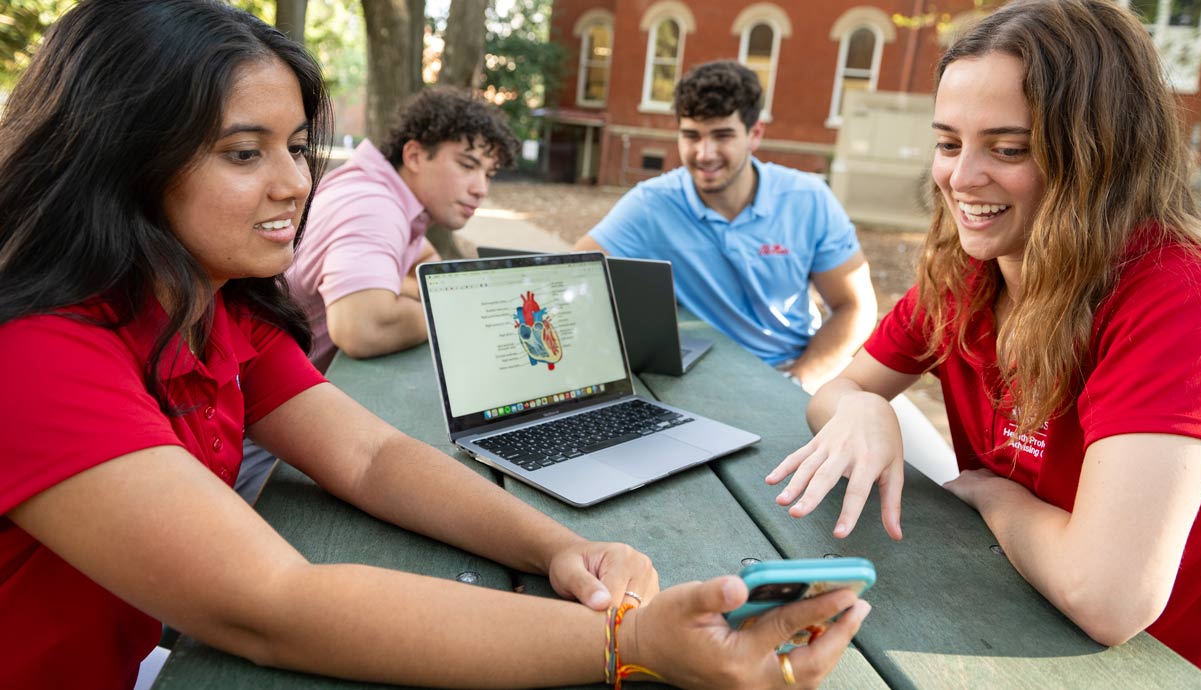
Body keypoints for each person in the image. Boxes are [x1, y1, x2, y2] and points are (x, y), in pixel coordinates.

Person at [0, 2, 869, 689]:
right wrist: (630, 642)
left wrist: (559, 548)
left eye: (300, 147)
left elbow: (370, 455)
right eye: (243, 152)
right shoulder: (36, 355)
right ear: (119, 158)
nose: (296, 184)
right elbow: (270, 605)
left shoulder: (212, 306)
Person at [767, 0, 1201, 685]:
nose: (961, 177)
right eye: (949, 143)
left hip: (1163, 665)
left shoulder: (1181, 296)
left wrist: (993, 497)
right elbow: (841, 387)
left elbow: (1108, 598)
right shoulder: (968, 270)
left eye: (1008, 148)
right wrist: (862, 409)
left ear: (1102, 156)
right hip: (1002, 607)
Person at [574, 60, 878, 393]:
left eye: (722, 136)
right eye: (691, 136)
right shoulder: (652, 204)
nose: (704, 154)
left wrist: (798, 379)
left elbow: (855, 307)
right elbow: (574, 277)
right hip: (702, 380)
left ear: (755, 134)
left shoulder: (808, 199)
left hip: (794, 367)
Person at [286, 87, 518, 373]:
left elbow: (424, 260)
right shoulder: (374, 207)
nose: (481, 189)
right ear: (415, 156)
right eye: (467, 165)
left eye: (488, 174)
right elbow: (361, 328)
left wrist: (419, 291)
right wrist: (448, 312)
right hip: (257, 407)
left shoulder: (379, 190)